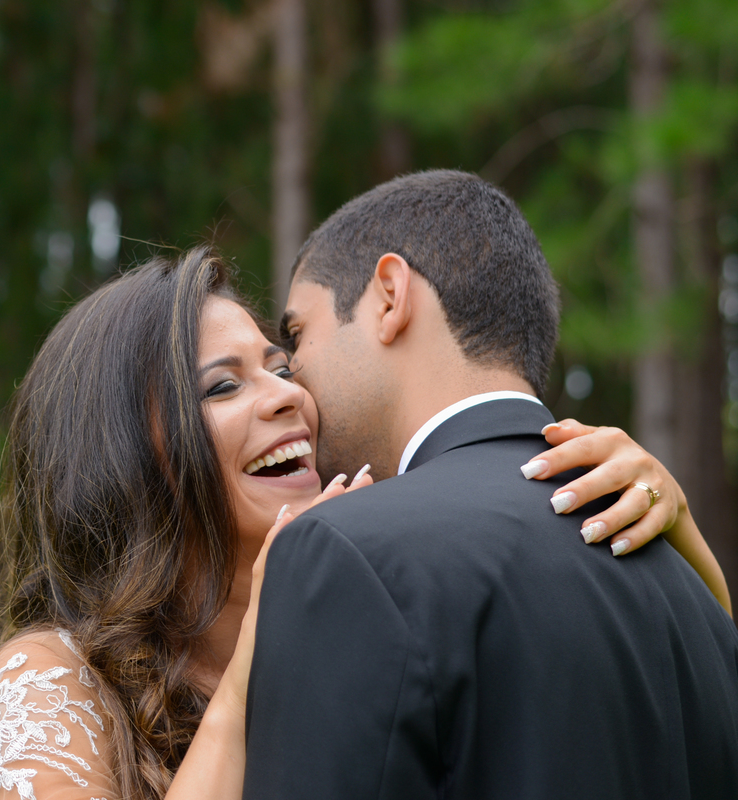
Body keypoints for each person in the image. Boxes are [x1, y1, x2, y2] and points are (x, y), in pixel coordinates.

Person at [0, 234, 729, 800]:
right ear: (120, 454)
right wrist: (250, 668)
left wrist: (679, 538)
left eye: (281, 367)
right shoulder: (49, 681)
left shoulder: (362, 606)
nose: (288, 396)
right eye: (222, 386)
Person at [243, 170, 738, 799]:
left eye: (296, 336)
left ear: (390, 297)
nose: (293, 378)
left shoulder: (345, 552)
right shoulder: (695, 595)